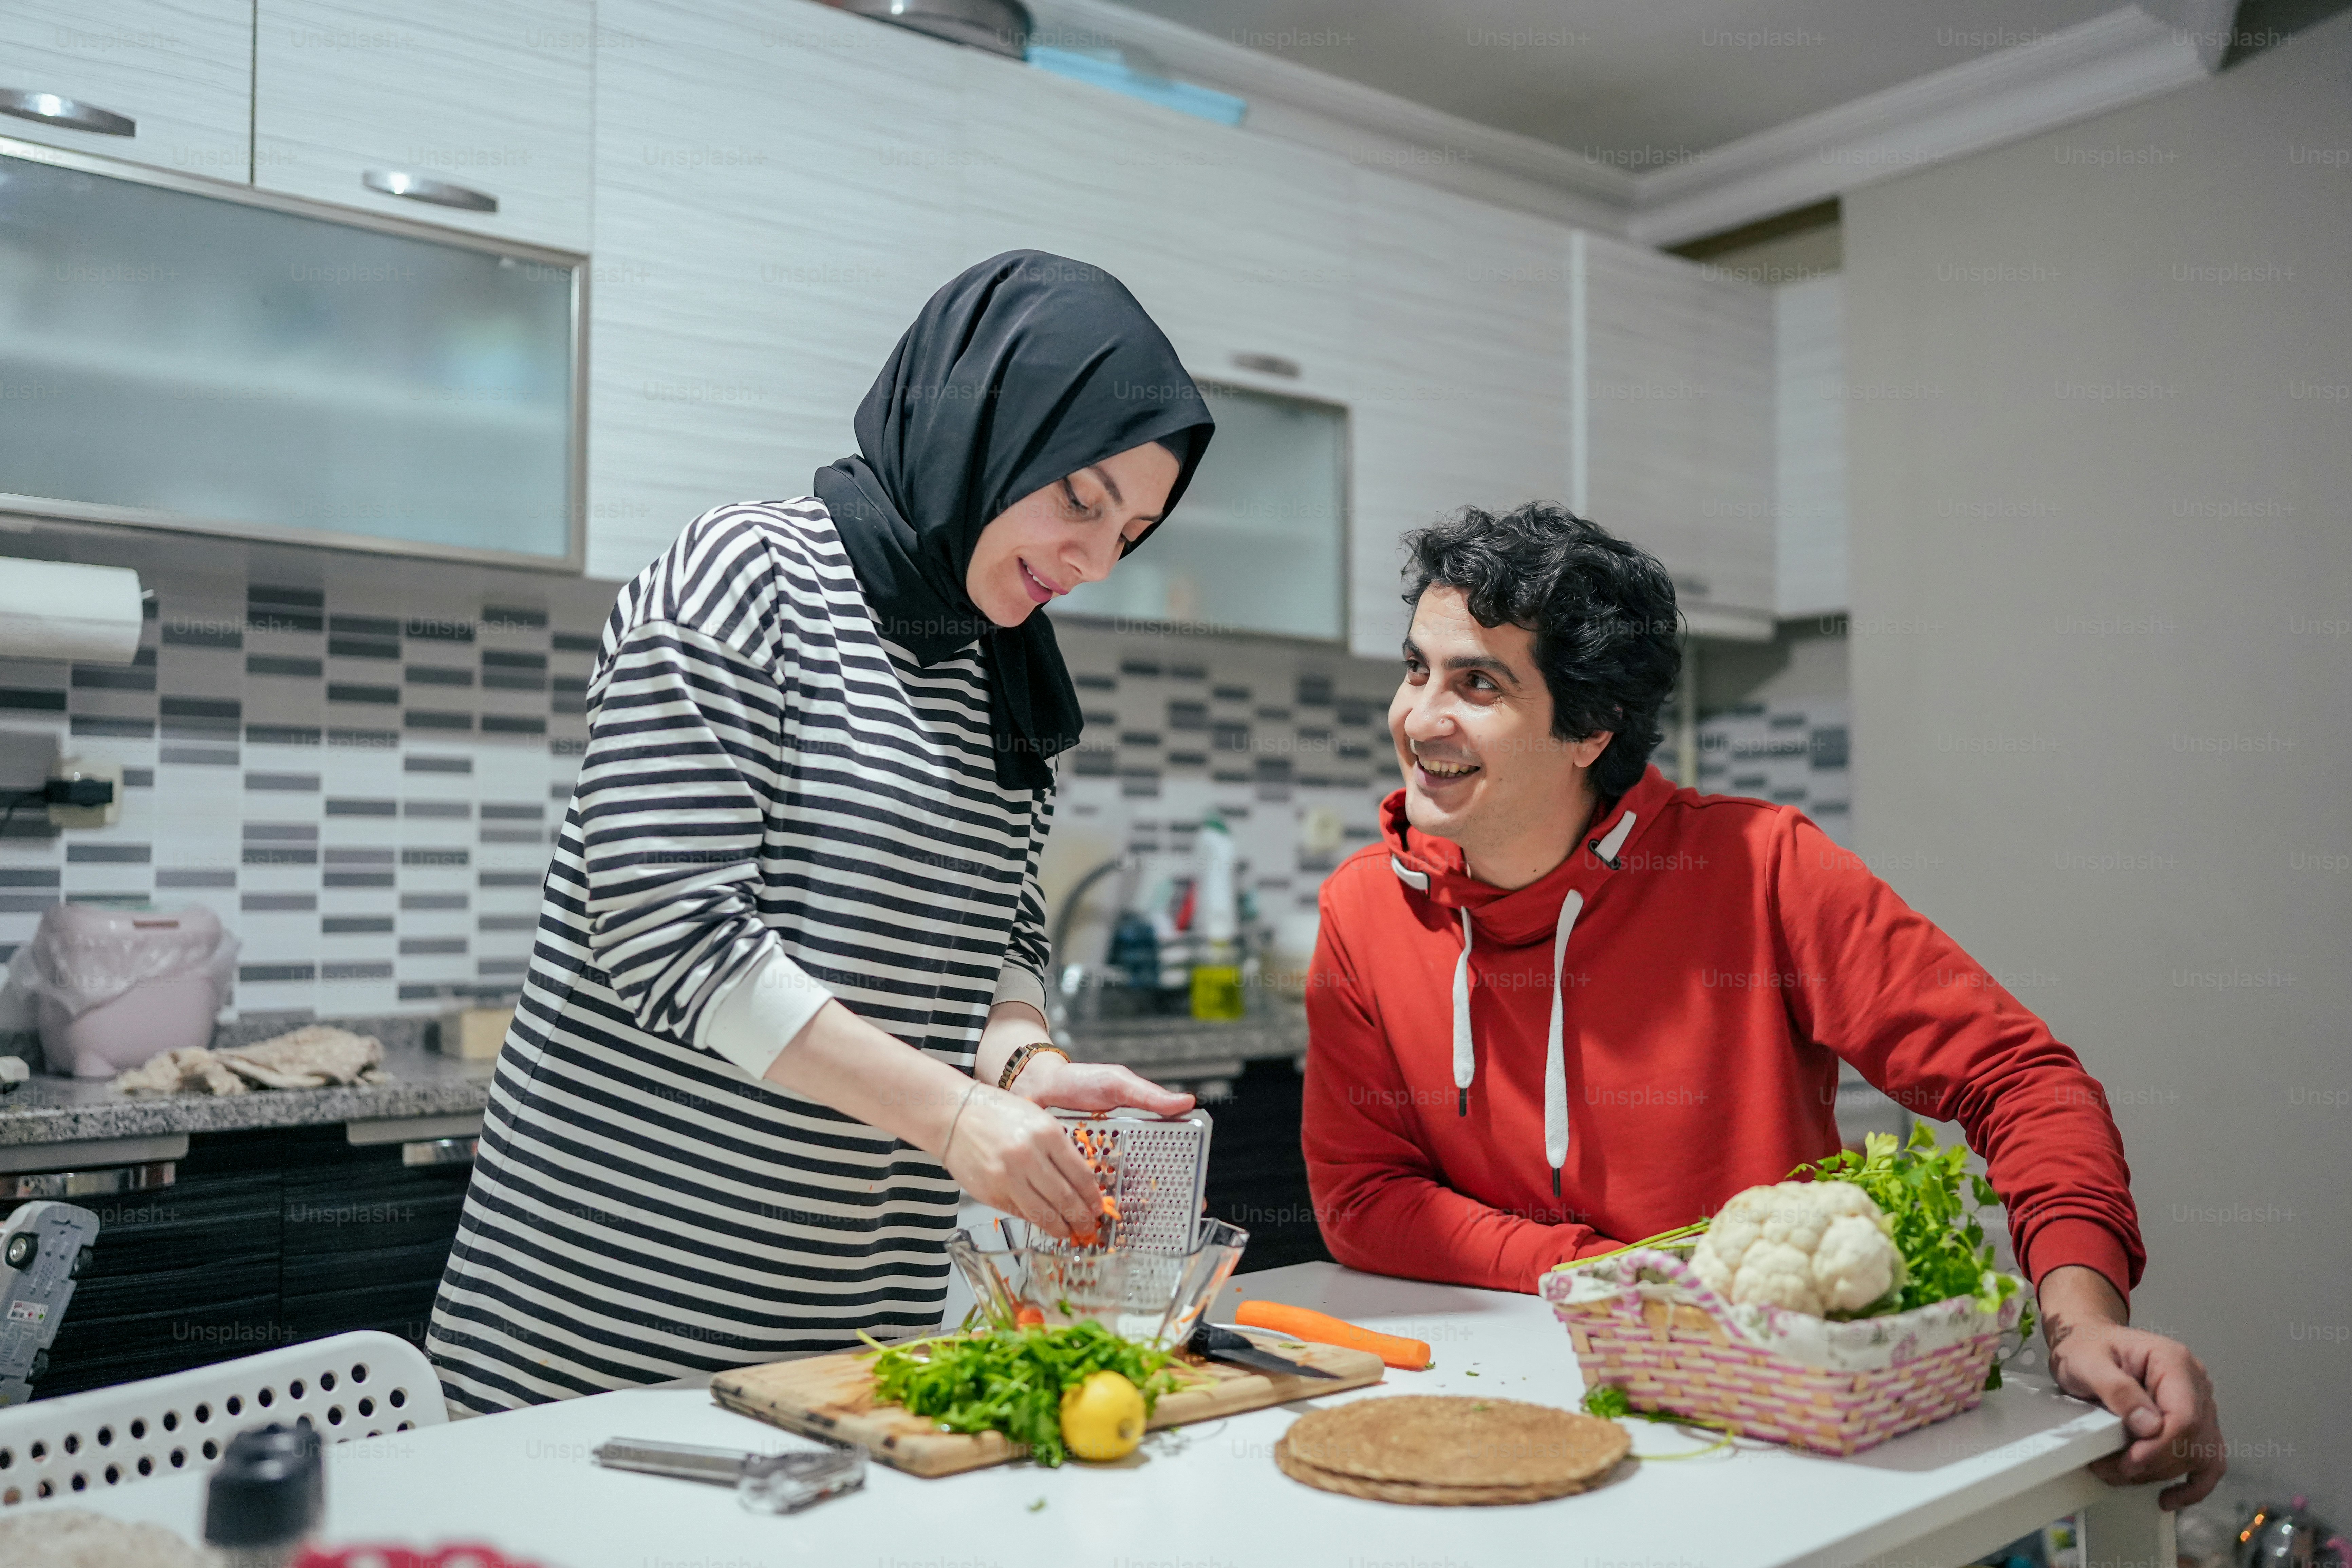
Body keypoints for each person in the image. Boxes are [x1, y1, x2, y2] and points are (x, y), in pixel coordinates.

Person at [1301, 501, 2224, 1508]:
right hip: (1502, 1406)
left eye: (1476, 682)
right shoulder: (1363, 907)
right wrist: (1607, 1274)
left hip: (1772, 1425)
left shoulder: (1761, 867)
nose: (1418, 715)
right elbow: (1362, 1198)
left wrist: (2079, 1316)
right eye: (1415, 668)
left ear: (1589, 729)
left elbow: (2022, 1082)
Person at [428, 252, 1214, 1412]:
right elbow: (672, 938)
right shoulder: (745, 578)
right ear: (981, 425)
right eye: (1079, 498)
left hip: (847, 1348)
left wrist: (1024, 1068)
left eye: (1132, 529)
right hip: (598, 1334)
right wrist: (955, 1115)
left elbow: (999, 929)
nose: (1095, 560)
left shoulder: (1004, 669)